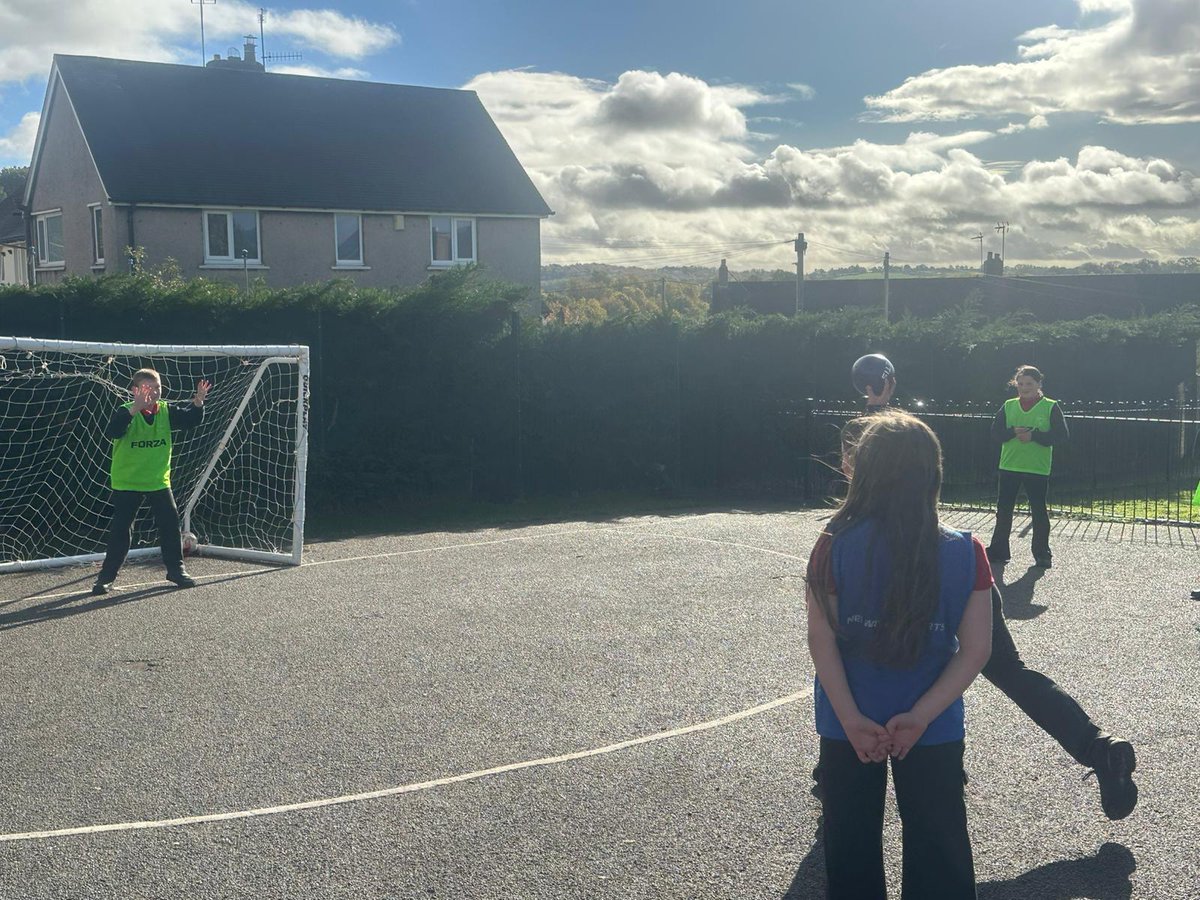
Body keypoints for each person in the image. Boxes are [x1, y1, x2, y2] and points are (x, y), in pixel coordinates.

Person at [822, 383, 1139, 822]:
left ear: (858, 464)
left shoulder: (849, 523)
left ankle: (888, 763)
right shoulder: (906, 448)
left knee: (878, 656)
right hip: (960, 569)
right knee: (1007, 668)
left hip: (918, 569)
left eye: (848, 458)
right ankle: (1097, 746)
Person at [807, 411, 993, 899]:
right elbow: (976, 649)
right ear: (932, 472)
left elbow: (821, 639)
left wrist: (850, 719)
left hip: (848, 719)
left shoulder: (833, 543)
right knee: (939, 848)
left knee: (850, 848)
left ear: (864, 471)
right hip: (932, 723)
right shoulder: (967, 549)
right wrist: (921, 715)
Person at [91, 368, 210, 595]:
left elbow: (191, 420)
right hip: (128, 481)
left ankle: (176, 570)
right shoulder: (125, 411)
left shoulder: (165, 410)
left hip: (157, 480)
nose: (154, 392)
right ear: (135, 390)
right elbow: (113, 431)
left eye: (157, 388)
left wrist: (198, 402)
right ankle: (106, 577)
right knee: (121, 530)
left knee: (170, 525)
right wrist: (135, 408)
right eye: (148, 388)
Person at [986, 365, 1068, 568]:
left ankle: (1042, 553)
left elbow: (1061, 435)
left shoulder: (1050, 406)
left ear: (1039, 384)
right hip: (1009, 465)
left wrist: (1034, 436)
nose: (1024, 388)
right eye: (1021, 384)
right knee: (1003, 510)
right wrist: (1012, 432)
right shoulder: (1008, 405)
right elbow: (995, 433)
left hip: (1036, 467)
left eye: (1029, 384)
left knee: (1039, 511)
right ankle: (998, 550)